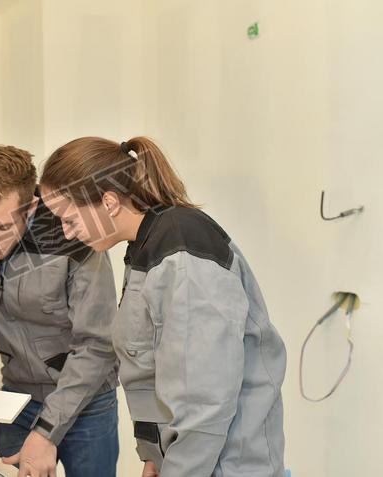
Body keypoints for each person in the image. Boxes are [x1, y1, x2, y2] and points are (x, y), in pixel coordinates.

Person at [39, 136, 286, 477]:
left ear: (109, 202)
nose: (66, 234)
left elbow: (203, 405)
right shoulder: (147, 245)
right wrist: (154, 455)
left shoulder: (180, 251)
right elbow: (158, 369)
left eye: (69, 219)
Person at [0, 143, 120, 477]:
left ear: (31, 206)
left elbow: (97, 344)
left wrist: (48, 430)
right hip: (17, 399)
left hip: (86, 401)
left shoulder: (73, 233)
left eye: (3, 227)